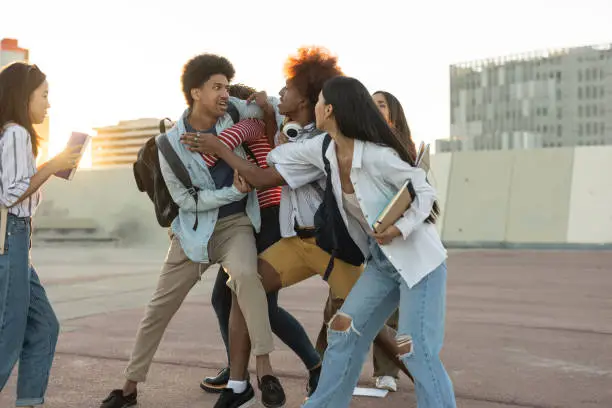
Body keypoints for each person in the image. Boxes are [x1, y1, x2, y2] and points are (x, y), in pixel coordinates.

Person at [182, 47, 411, 400]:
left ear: (305, 99)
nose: (280, 93)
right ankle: (238, 385)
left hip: (329, 247)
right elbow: (273, 129)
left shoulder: (316, 144)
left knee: (376, 328)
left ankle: (425, 373)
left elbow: (261, 177)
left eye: (287, 89)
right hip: (295, 243)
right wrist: (267, 117)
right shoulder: (298, 133)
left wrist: (219, 146)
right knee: (244, 288)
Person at [100, 54, 286, 408]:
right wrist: (235, 191)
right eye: (216, 87)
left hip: (236, 226)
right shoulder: (168, 144)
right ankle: (128, 387)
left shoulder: (232, 110)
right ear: (195, 92)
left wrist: (265, 99)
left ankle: (265, 370)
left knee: (247, 277)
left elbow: (269, 110)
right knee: (158, 308)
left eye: (226, 87)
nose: (224, 94)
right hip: (192, 233)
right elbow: (186, 201)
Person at [264, 75, 456, 407]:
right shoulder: (325, 148)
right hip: (382, 264)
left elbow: (423, 191)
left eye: (320, 100)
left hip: (418, 262)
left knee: (415, 348)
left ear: (331, 109)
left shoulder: (378, 155)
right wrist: (278, 130)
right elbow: (277, 159)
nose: (316, 106)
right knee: (342, 330)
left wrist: (400, 227)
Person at [199, 84, 322, 397]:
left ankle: (314, 365)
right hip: (256, 221)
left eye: (221, 103)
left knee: (261, 305)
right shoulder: (259, 124)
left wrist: (187, 135)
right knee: (224, 298)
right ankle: (235, 366)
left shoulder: (249, 125)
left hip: (269, 217)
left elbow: (214, 150)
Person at [314, 89, 418, 392]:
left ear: (394, 113)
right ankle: (321, 364)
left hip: (392, 240)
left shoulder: (401, 150)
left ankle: (389, 371)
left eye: (382, 104)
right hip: (355, 238)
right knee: (337, 301)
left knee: (391, 310)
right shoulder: (350, 143)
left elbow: (416, 193)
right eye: (371, 104)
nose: (375, 109)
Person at [0, 62, 82, 408]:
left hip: (17, 239)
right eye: (44, 95)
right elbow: (10, 194)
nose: (49, 104)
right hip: (9, 237)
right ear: (24, 96)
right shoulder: (16, 132)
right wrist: (51, 165)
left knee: (43, 327)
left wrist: (50, 166)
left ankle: (29, 401)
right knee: (8, 330)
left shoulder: (10, 133)